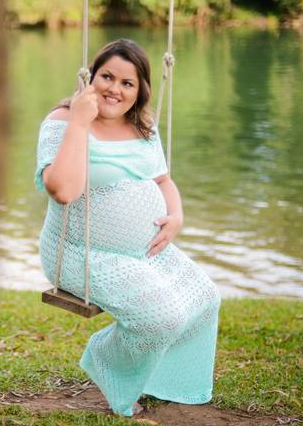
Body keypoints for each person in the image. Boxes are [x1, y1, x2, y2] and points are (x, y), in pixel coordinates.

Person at [34, 38, 221, 417]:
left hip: (144, 250)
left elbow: (164, 181)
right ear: (91, 76)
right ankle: (106, 359)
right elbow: (63, 191)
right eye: (107, 76)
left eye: (127, 83)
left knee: (205, 297)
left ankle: (159, 379)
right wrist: (80, 123)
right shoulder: (62, 122)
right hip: (80, 253)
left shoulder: (143, 126)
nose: (113, 89)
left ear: (140, 91)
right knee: (162, 316)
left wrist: (177, 215)